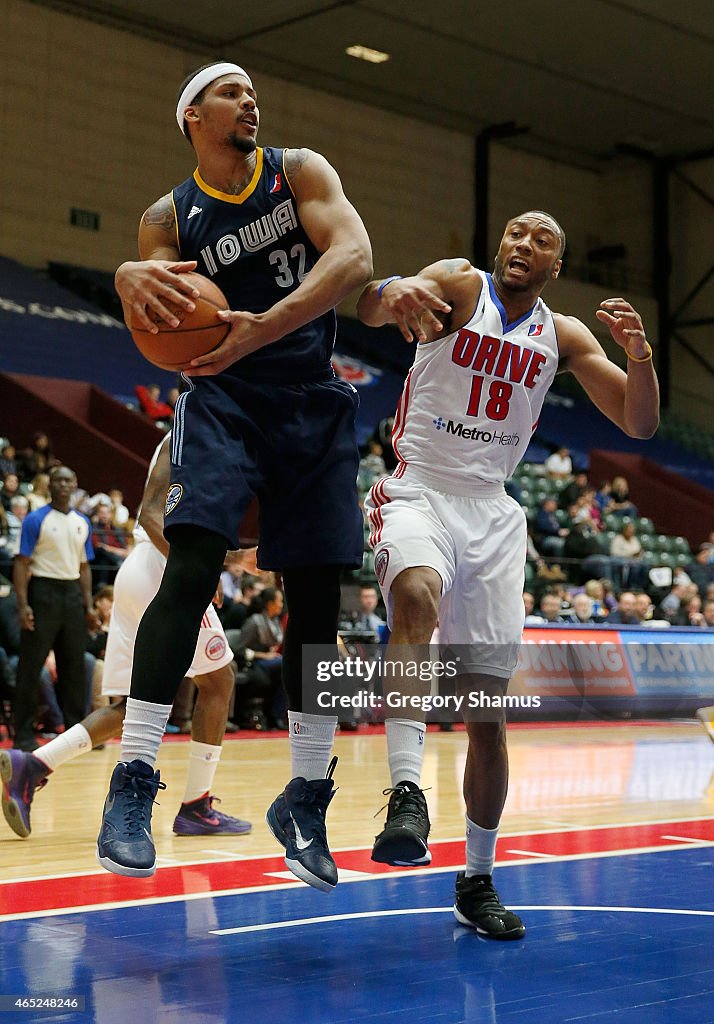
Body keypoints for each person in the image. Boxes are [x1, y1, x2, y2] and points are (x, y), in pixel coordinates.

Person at [98, 61, 372, 884]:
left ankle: (305, 797)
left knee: (321, 597)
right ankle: (134, 781)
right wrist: (124, 280)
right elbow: (152, 313)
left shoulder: (299, 172)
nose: (251, 100)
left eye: (255, 91)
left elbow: (353, 256)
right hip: (222, 397)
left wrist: (263, 328)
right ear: (192, 116)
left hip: (311, 397)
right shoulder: (166, 216)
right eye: (232, 92)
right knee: (191, 562)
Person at [357, 209, 659, 939]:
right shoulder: (460, 285)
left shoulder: (564, 335)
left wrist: (641, 356)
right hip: (421, 488)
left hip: (492, 515)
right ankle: (405, 793)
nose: (524, 244)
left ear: (558, 266)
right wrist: (391, 290)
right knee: (415, 598)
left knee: (487, 718)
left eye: (543, 240)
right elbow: (367, 302)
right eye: (517, 234)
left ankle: (477, 880)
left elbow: (638, 424)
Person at [1, 435, 251, 849]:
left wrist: (227, 559)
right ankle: (195, 806)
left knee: (132, 706)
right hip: (161, 570)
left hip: (140, 570)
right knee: (219, 680)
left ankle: (33, 764)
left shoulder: (193, 430)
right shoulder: (197, 429)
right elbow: (154, 518)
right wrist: (203, 571)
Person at [12, 467, 99, 752]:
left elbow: (85, 566)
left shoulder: (82, 521)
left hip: (72, 593)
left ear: (75, 484)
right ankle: (23, 733)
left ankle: (75, 736)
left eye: (68, 480)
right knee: (31, 666)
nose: (63, 485)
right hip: (43, 591)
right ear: (50, 485)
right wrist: (23, 604)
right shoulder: (36, 519)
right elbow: (22, 563)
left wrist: (88, 606)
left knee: (74, 666)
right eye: (58, 480)